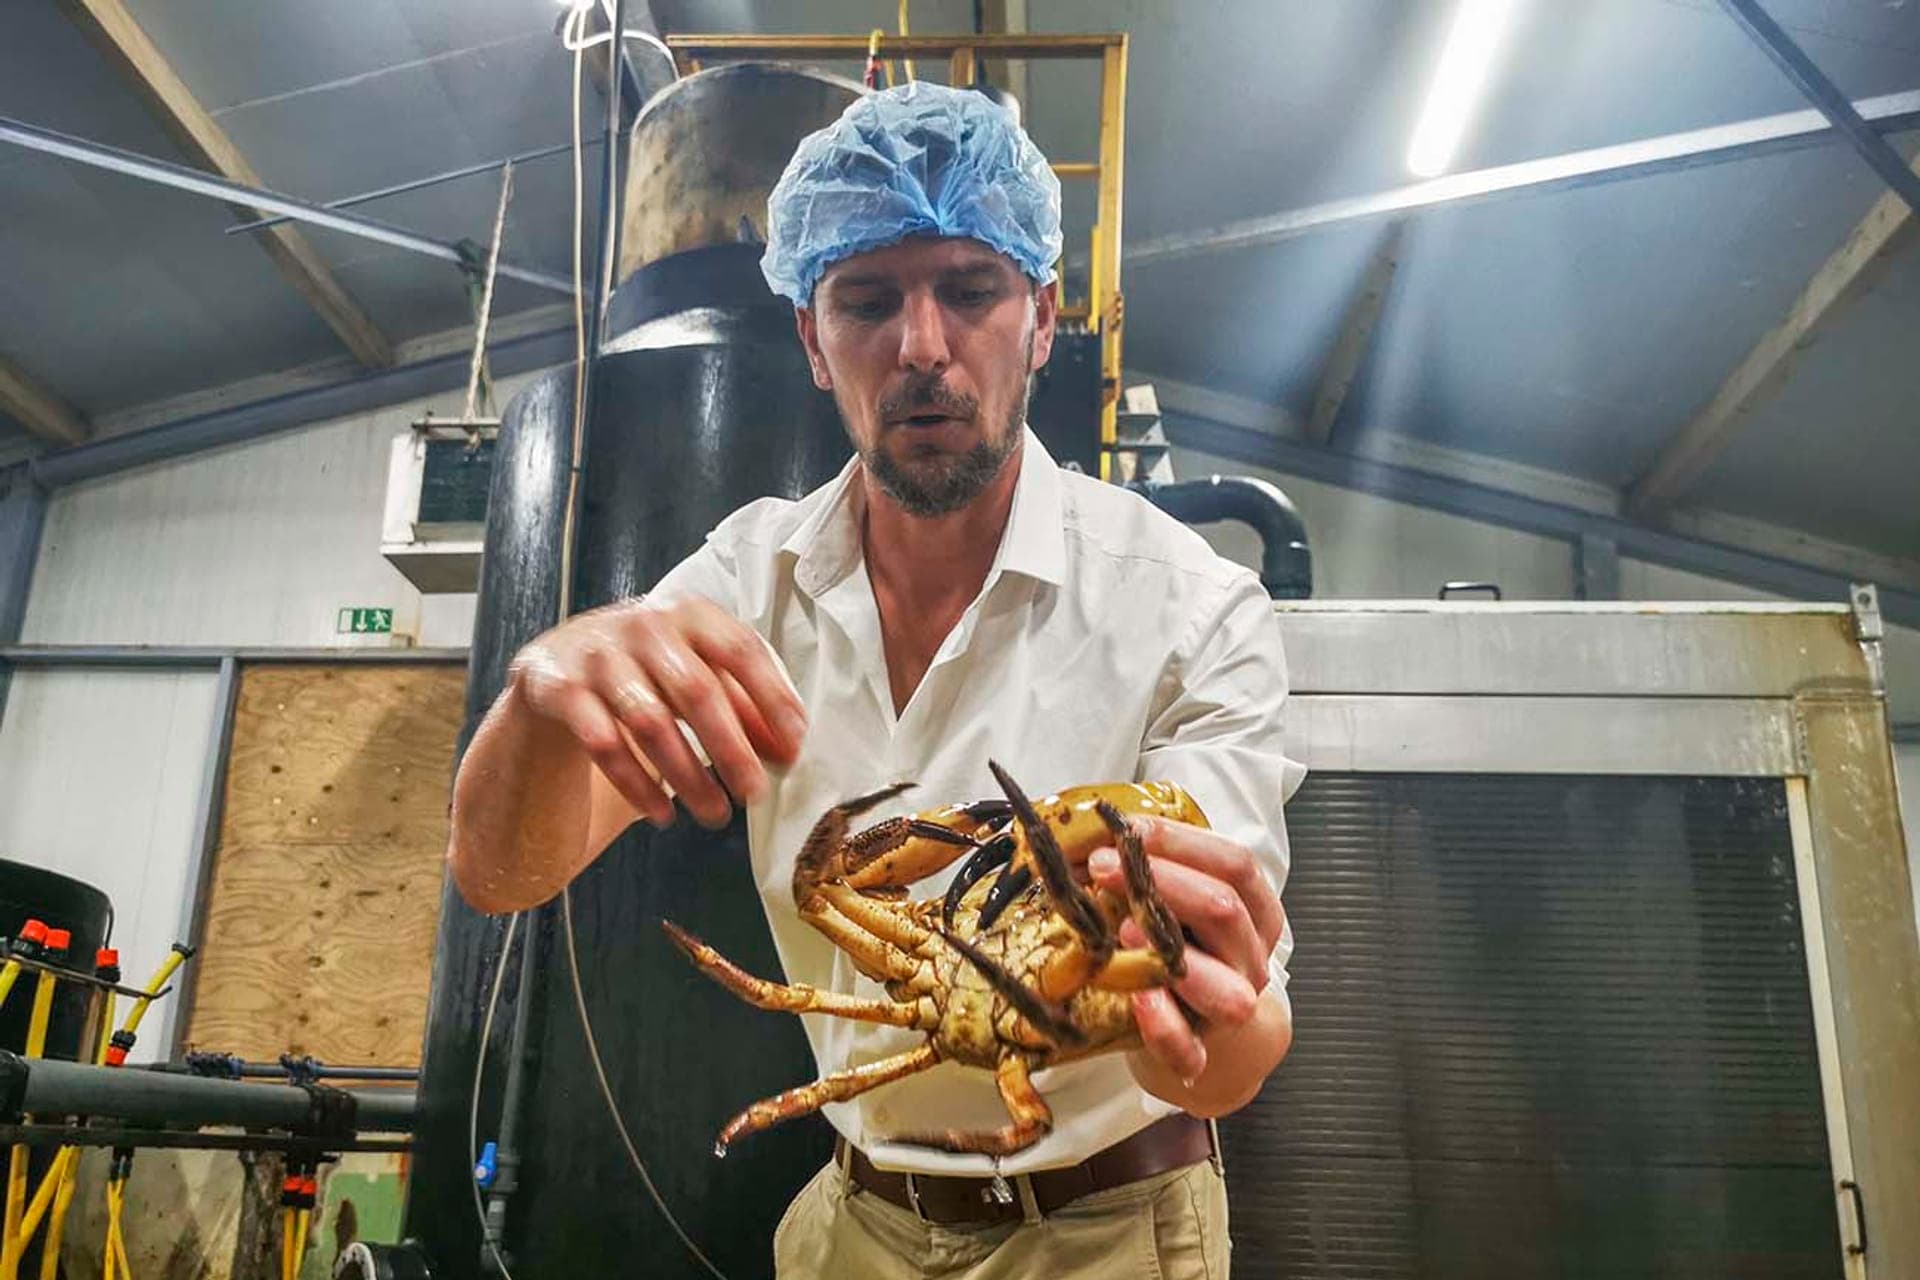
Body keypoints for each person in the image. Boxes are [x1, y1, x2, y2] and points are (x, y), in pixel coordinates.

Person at [449, 80, 1297, 1279]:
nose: (923, 347)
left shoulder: (1193, 608)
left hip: (1112, 1226)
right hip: (854, 1220)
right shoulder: (742, 585)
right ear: (811, 339)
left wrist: (1193, 1024)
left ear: (1042, 319)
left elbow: (1239, 1048)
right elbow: (501, 874)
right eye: (867, 300)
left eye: (971, 289)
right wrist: (542, 689)